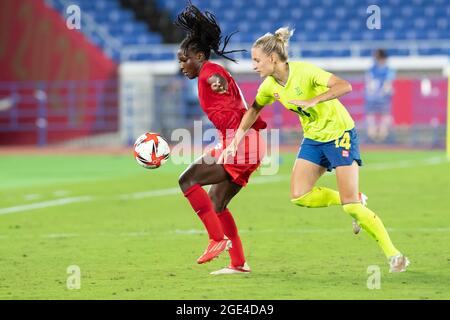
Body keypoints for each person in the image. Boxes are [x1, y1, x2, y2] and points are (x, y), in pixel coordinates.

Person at [220, 28, 409, 273]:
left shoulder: (305, 72)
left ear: (273, 59)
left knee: (350, 207)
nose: (253, 66)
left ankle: (394, 255)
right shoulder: (269, 86)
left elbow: (345, 86)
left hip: (340, 134)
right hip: (313, 138)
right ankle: (355, 198)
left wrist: (314, 100)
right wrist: (235, 141)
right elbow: (254, 109)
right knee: (299, 196)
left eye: (257, 60)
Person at [174, 4, 267, 275]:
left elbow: (216, 79)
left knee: (187, 180)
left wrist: (217, 83)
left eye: (184, 59)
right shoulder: (209, 71)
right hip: (245, 141)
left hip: (242, 142)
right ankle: (238, 263)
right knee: (217, 203)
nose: (181, 65)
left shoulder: (209, 71)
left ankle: (216, 240)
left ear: (199, 56)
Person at [365, 49, 396, 143]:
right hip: (379, 96)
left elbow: (369, 82)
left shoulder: (374, 69)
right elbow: (387, 85)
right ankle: (376, 135)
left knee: (380, 116)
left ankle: (379, 135)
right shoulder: (387, 70)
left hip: (375, 96)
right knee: (381, 115)